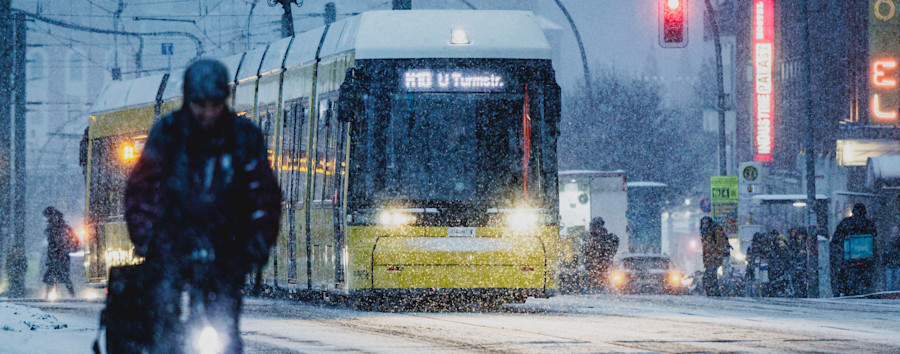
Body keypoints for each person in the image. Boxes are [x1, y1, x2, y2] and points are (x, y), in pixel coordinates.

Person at [124, 59, 281, 353]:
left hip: (227, 248)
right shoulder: (168, 134)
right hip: (172, 245)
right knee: (164, 320)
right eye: (200, 105)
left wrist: (258, 243)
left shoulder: (243, 138)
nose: (208, 113)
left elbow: (263, 194)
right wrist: (147, 236)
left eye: (214, 105)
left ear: (224, 101)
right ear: (188, 101)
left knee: (225, 325)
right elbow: (142, 191)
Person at [831, 203, 877, 296]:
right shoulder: (869, 223)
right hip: (866, 257)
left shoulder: (846, 222)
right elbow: (874, 237)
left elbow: (836, 238)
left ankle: (845, 290)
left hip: (849, 257)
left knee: (842, 273)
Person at [42, 206, 78, 297]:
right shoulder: (63, 226)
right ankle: (72, 295)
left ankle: (49, 295)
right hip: (61, 254)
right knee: (63, 276)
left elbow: (55, 241)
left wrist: (58, 249)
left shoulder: (55, 226)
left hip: (57, 254)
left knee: (53, 275)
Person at [583, 217, 619, 290]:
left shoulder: (609, 238)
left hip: (604, 269)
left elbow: (611, 249)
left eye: (594, 226)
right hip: (594, 270)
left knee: (605, 284)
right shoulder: (591, 240)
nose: (592, 229)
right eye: (591, 226)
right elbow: (586, 253)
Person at [700, 217, 726, 296]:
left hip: (714, 259)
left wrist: (715, 256)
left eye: (706, 223)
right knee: (710, 277)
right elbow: (706, 248)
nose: (704, 225)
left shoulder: (715, 231)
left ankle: (714, 292)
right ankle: (713, 292)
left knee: (709, 276)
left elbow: (720, 245)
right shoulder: (705, 232)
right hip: (709, 259)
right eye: (703, 223)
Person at [884, 226, 900, 291]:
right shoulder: (888, 243)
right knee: (889, 284)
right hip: (889, 266)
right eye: (894, 232)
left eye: (897, 233)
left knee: (897, 284)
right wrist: (886, 263)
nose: (895, 234)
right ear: (891, 234)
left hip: (897, 266)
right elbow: (885, 254)